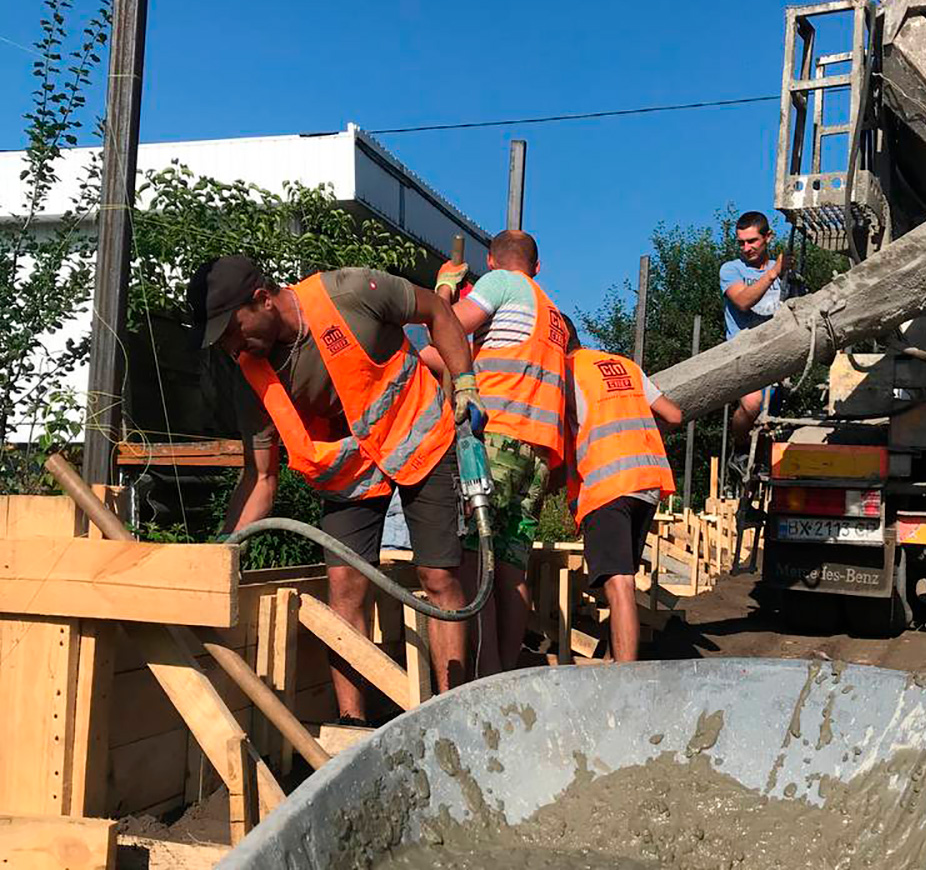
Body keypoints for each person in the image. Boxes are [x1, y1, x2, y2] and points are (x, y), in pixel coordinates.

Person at [188, 255, 484, 717]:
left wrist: (464, 382)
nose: (231, 345)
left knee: (439, 576)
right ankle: (353, 722)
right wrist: (223, 549)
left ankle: (453, 710)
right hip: (351, 474)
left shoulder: (350, 292)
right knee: (344, 586)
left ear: (263, 300)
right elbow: (261, 477)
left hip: (420, 439)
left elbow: (437, 310)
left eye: (232, 329)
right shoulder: (250, 372)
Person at [427, 230, 568, 675]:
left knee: (475, 562)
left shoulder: (501, 283)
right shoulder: (553, 314)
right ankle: (506, 671)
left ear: (490, 261)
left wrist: (443, 289)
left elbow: (444, 333)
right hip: (537, 452)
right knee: (511, 568)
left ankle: (485, 675)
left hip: (497, 441)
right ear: (538, 267)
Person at [562, 315, 681, 662]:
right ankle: (616, 661)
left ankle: (626, 678)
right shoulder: (624, 365)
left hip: (607, 484)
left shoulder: (565, 374)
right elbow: (674, 415)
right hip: (646, 483)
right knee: (622, 579)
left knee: (618, 583)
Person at [720, 211, 789, 439]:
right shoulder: (731, 269)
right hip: (742, 351)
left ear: (768, 237)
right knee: (752, 404)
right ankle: (740, 449)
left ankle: (760, 455)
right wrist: (772, 274)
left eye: (752, 241)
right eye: (741, 243)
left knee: (769, 418)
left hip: (775, 351)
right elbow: (742, 301)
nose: (746, 248)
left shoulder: (783, 270)